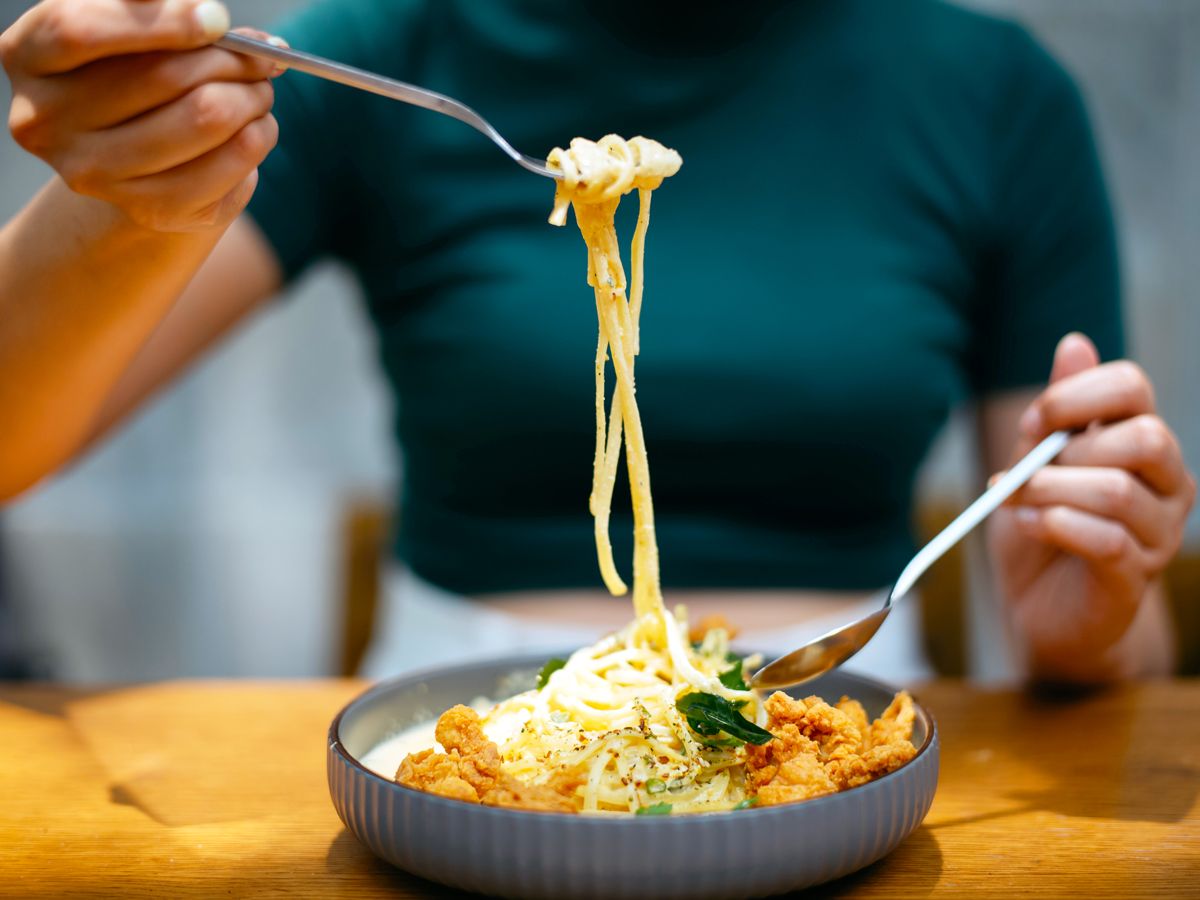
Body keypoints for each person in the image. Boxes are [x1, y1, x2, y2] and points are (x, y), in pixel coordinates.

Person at [0, 0, 1193, 683]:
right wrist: (127, 192)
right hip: (446, 723)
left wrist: (1087, 624)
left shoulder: (994, 93)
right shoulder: (389, 59)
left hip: (842, 713)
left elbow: (1103, 628)